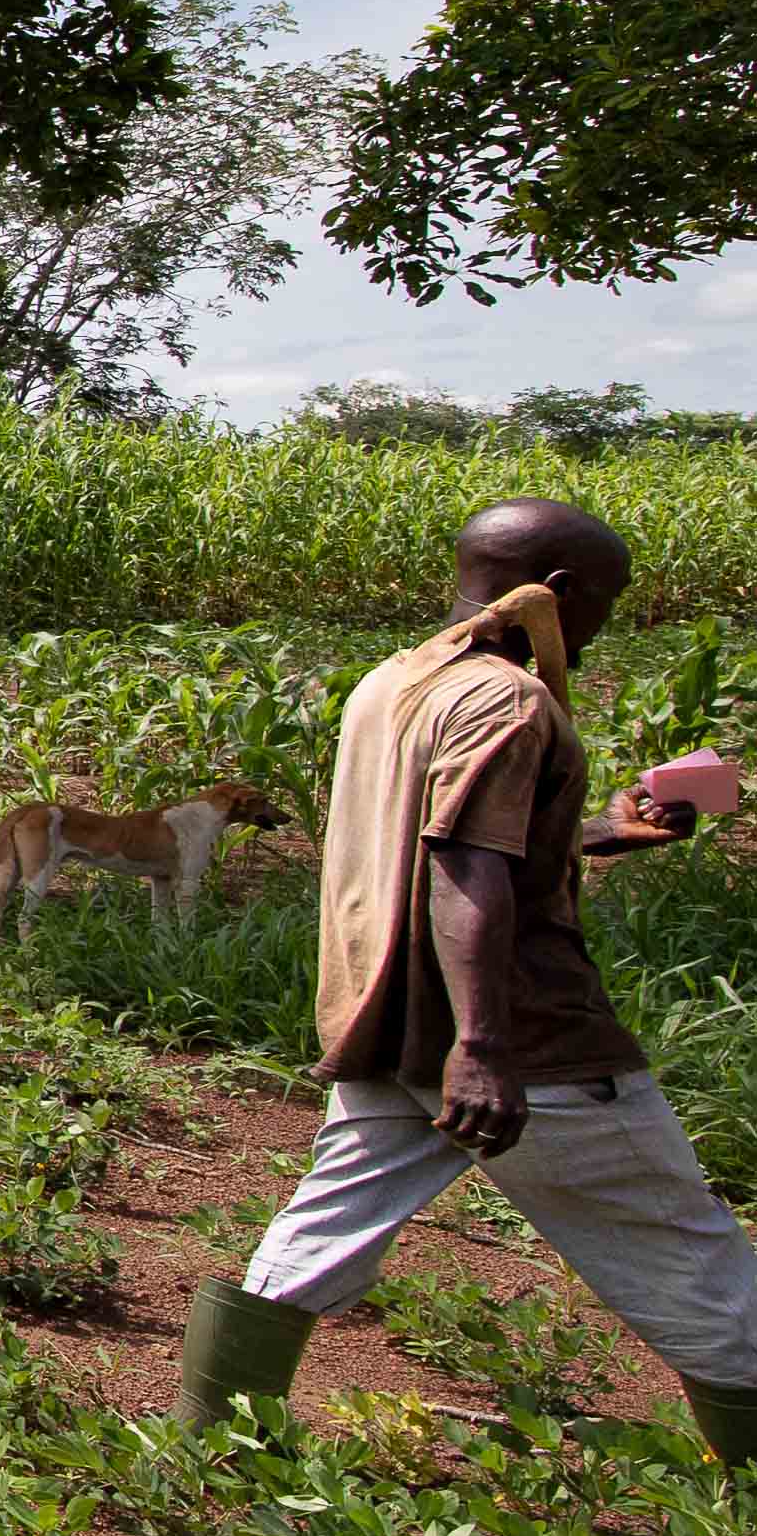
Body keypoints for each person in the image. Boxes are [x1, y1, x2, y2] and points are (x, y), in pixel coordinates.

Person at [177, 495, 756, 1462]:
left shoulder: (395, 681)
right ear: (560, 590)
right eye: (606, 603)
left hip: (390, 1023)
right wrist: (485, 1048)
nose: (604, 625)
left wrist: (599, 830)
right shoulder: (507, 699)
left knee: (320, 1233)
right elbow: (464, 868)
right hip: (521, 1035)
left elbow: (441, 840)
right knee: (686, 1244)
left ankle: (209, 1447)